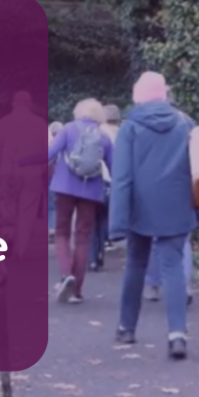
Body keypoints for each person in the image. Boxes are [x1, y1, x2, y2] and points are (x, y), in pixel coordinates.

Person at [110, 72, 196, 359]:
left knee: (136, 264)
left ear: (138, 96)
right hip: (177, 204)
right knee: (173, 267)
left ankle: (126, 327)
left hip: (140, 207)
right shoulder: (186, 124)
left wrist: (117, 223)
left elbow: (122, 177)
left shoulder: (130, 127)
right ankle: (177, 334)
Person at [45, 98, 115, 303]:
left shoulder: (68, 129)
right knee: (83, 237)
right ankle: (76, 290)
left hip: (64, 187)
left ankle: (66, 275)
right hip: (91, 190)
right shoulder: (103, 136)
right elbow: (115, 167)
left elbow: (50, 153)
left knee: (62, 232)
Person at [0, 91, 48, 257]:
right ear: (29, 104)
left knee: (7, 206)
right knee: (28, 209)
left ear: (13, 103)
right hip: (32, 172)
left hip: (8, 171)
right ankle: (21, 248)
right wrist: (42, 168)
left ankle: (8, 236)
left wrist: (1, 167)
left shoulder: (4, 123)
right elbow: (47, 151)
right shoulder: (40, 123)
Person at [89, 104, 121, 271]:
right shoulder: (122, 133)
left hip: (93, 179)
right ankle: (102, 249)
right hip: (112, 180)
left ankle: (92, 258)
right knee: (104, 217)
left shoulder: (96, 132)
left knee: (91, 219)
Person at [47, 121, 64, 236]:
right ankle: (54, 227)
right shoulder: (65, 144)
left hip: (50, 176)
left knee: (51, 203)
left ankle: (52, 227)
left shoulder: (51, 145)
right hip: (60, 178)